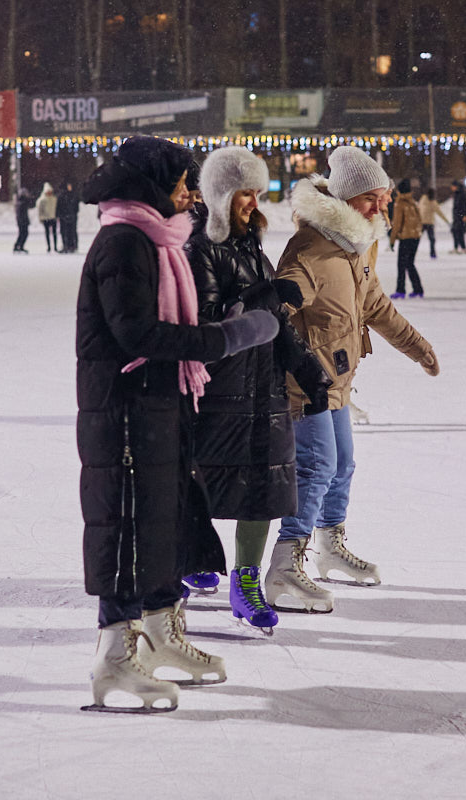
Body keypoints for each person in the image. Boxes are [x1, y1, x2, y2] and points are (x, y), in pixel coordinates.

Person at [76, 136, 280, 712]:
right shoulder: (123, 242)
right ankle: (115, 656)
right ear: (151, 187)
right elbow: (137, 335)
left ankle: (163, 633)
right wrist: (227, 337)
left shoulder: (159, 241)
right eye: (182, 185)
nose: (192, 197)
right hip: (123, 411)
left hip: (160, 405)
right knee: (126, 526)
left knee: (166, 520)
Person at [268, 145, 439, 613]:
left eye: (384, 197)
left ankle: (328, 547)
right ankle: (285, 564)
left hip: (337, 381)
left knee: (342, 466)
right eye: (372, 198)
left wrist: (418, 348)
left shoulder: (355, 249)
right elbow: (278, 308)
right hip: (305, 386)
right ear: (345, 200)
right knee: (317, 467)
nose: (381, 206)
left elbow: (377, 307)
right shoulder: (311, 249)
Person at [184, 146, 331, 632]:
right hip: (218, 392)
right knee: (200, 486)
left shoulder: (250, 244)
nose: (254, 202)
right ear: (222, 194)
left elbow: (275, 321)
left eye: (257, 192)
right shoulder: (199, 246)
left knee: (265, 488)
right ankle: (190, 559)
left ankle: (246, 580)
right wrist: (259, 295)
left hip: (263, 391)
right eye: (245, 192)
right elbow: (207, 326)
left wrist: (304, 366)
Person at [389, 178, 425, 297]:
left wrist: (392, 240)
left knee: (401, 264)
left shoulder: (400, 203)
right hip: (415, 237)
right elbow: (420, 219)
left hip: (405, 238)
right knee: (410, 263)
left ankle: (400, 290)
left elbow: (397, 223)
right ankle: (418, 289)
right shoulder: (413, 202)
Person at [417, 186, 448, 259]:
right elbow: (439, 213)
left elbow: (418, 209)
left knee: (417, 238)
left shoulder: (423, 199)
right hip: (428, 223)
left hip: (423, 222)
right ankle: (433, 253)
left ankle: (412, 251)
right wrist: (446, 221)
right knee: (431, 239)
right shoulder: (432, 202)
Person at [57, 181, 80, 253]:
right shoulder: (62, 196)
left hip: (70, 216)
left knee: (71, 231)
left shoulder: (72, 195)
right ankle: (67, 246)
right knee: (65, 232)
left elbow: (76, 206)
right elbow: (59, 207)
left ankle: (71, 246)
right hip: (65, 216)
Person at [448, 179, 466, 254]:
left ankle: (463, 248)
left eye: (452, 186)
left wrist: (465, 215)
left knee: (459, 232)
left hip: (460, 216)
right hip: (456, 216)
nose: (451, 188)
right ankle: (456, 247)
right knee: (455, 231)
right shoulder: (456, 194)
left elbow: (465, 206)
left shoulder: (461, 194)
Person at [37, 182, 58, 252]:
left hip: (53, 218)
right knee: (47, 233)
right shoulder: (42, 200)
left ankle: (55, 246)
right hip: (46, 218)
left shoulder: (54, 199)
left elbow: (56, 208)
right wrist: (41, 218)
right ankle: (49, 246)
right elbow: (40, 210)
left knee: (54, 233)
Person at [13, 187, 31, 253]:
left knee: (22, 234)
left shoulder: (20, 202)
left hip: (22, 221)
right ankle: (18, 246)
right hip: (22, 221)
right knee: (23, 234)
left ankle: (19, 246)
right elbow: (21, 214)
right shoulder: (22, 203)